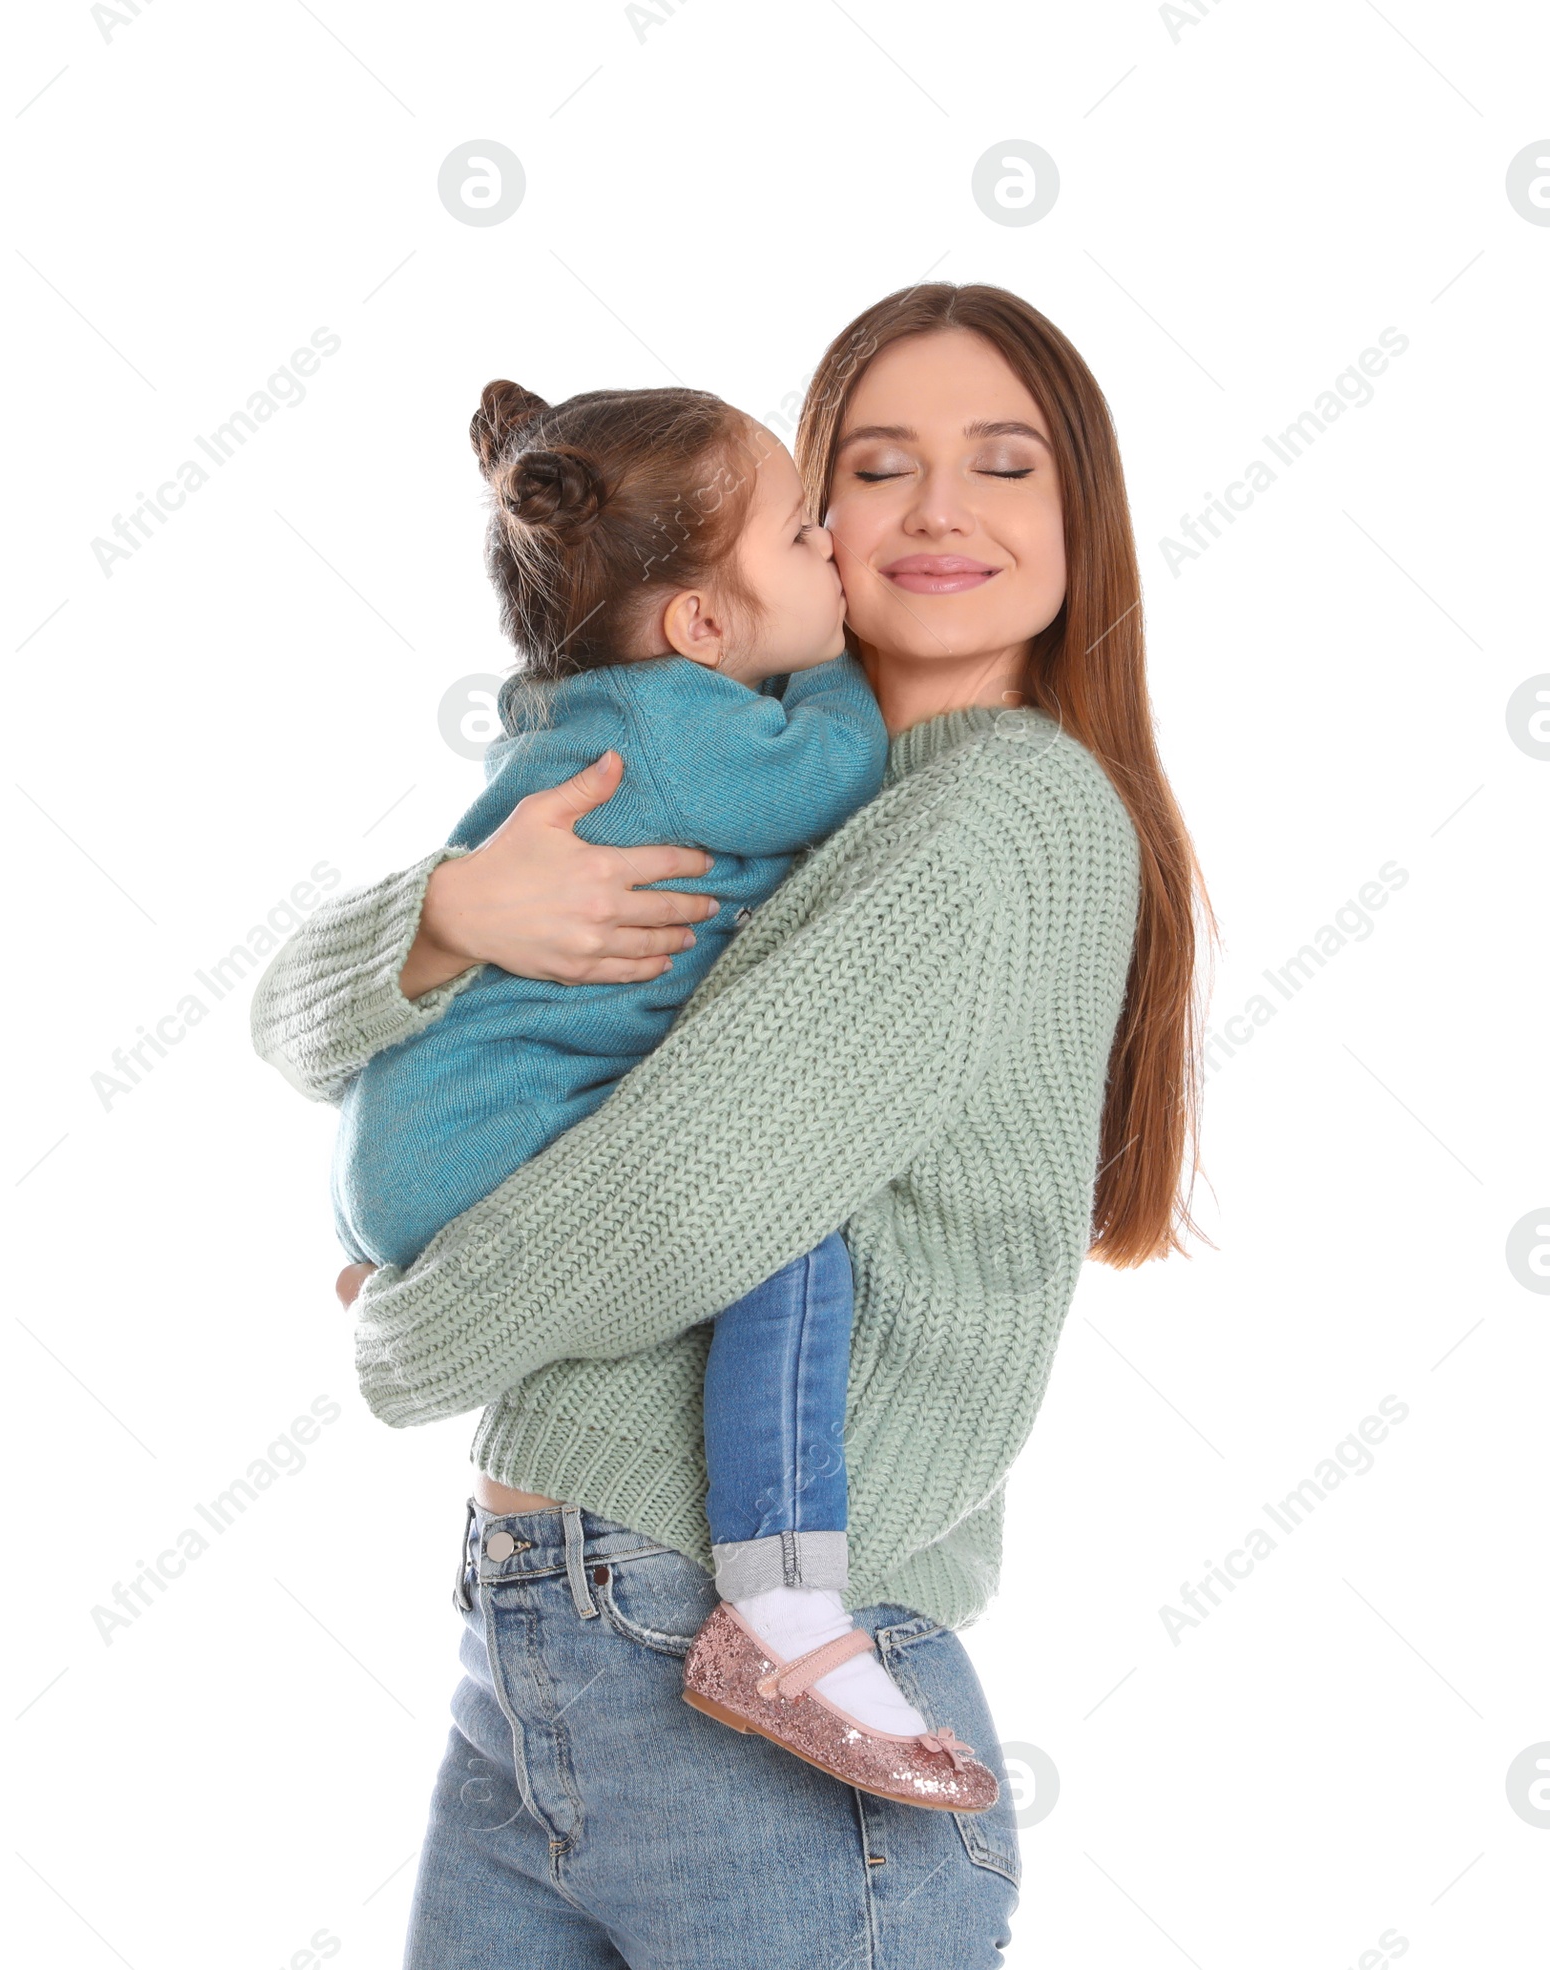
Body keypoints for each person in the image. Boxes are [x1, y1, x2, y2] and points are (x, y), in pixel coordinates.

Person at [251, 281, 1211, 1968]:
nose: (932, 510)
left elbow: (688, 1202)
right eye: (875, 460)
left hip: (732, 1655)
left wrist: (408, 1331)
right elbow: (288, 1021)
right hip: (556, 1645)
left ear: (1085, 522)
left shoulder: (995, 812)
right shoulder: (743, 787)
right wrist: (456, 910)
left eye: (1003, 465)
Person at [330, 373, 981, 1788]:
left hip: (409, 1134)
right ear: (699, 627)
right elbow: (845, 763)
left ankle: (383, 1249)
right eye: (810, 539)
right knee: (786, 1219)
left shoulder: (590, 711)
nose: (842, 556)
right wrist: (876, 648)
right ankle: (786, 1590)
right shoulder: (695, 735)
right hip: (484, 1133)